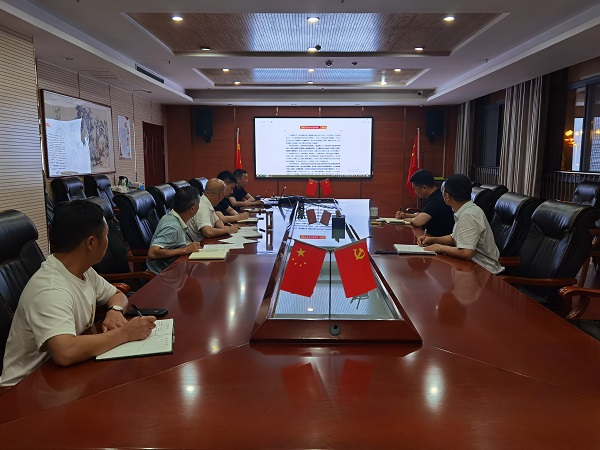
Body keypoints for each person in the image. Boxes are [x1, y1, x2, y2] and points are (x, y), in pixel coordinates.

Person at [0, 200, 156, 387]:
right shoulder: (50, 289)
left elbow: (117, 294)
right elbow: (65, 352)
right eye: (106, 235)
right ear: (91, 243)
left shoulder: (83, 270)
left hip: (59, 377)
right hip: (24, 388)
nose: (109, 241)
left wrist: (115, 311)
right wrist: (125, 333)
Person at [418, 173, 503, 274]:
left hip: (484, 271)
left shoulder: (469, 215)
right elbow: (454, 238)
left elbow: (466, 253)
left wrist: (440, 248)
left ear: (447, 196)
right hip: (470, 266)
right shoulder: (463, 210)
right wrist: (432, 240)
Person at [147, 185, 202, 274]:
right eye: (199, 204)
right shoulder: (173, 226)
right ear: (192, 209)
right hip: (164, 275)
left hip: (175, 269)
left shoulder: (172, 216)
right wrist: (184, 250)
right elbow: (153, 253)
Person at [395, 169, 454, 237]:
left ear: (424, 188)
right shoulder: (436, 195)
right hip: (433, 236)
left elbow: (418, 221)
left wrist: (403, 220)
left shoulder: (436, 200)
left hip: (439, 240)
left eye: (415, 189)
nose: (415, 192)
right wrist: (406, 215)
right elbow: (425, 214)